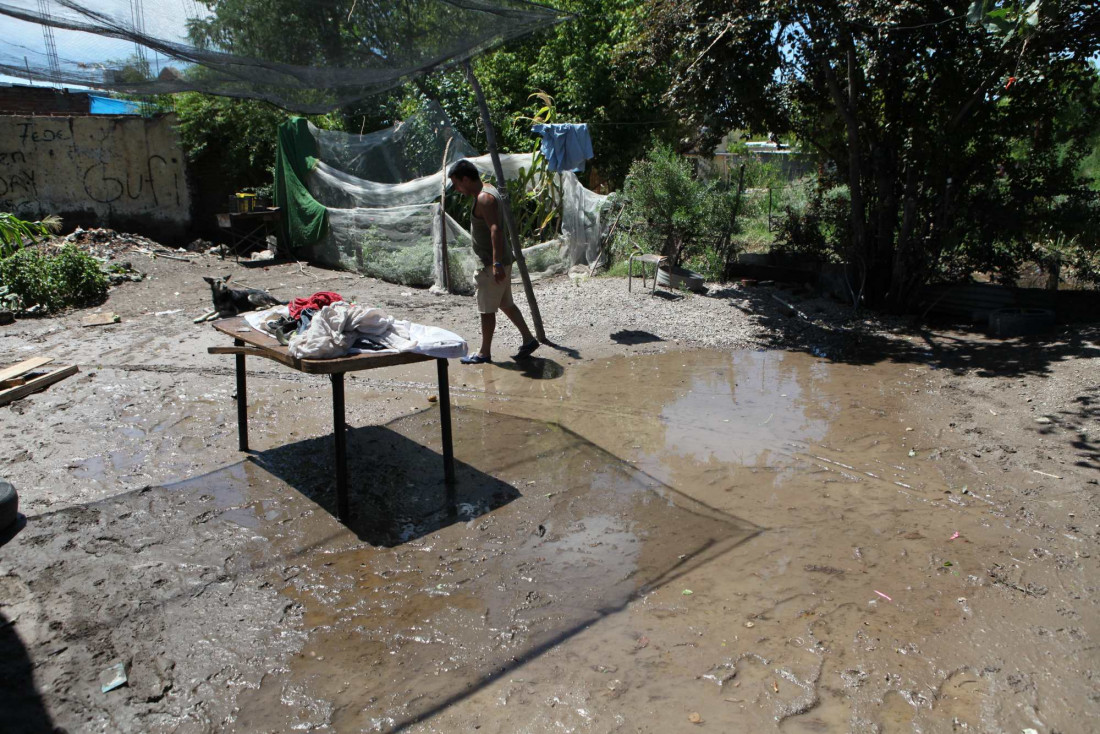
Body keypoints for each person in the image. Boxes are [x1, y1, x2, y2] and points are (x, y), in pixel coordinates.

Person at [447, 159, 539, 364]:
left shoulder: (484, 198)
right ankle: (529, 339)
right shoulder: (488, 190)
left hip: (491, 264)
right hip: (501, 260)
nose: (456, 188)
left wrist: (496, 264)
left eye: (456, 183)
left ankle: (484, 353)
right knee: (506, 304)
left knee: (486, 310)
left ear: (466, 178)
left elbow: (495, 230)